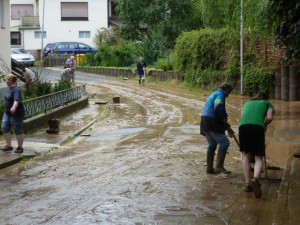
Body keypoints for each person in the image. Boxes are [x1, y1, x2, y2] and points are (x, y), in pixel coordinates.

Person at [239, 91, 274, 198]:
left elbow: (242, 116)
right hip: (257, 127)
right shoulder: (268, 104)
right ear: (266, 98)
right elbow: (270, 117)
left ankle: (248, 183)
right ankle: (256, 179)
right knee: (259, 157)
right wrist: (264, 124)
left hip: (243, 127)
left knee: (246, 155)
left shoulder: (247, 103)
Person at [200, 83, 234, 174]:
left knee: (212, 144)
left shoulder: (214, 94)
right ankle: (219, 167)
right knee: (225, 143)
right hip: (212, 122)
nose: (228, 95)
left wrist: (227, 126)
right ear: (226, 90)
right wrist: (224, 116)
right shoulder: (220, 94)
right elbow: (218, 107)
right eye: (229, 92)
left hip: (204, 121)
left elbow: (216, 113)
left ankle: (209, 169)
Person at [1, 74, 25, 153]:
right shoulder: (9, 89)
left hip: (16, 113)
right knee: (4, 127)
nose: (6, 81)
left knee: (18, 129)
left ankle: (20, 147)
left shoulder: (16, 89)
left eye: (7, 80)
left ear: (10, 81)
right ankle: (9, 146)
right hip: (7, 112)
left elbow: (16, 100)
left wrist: (14, 107)